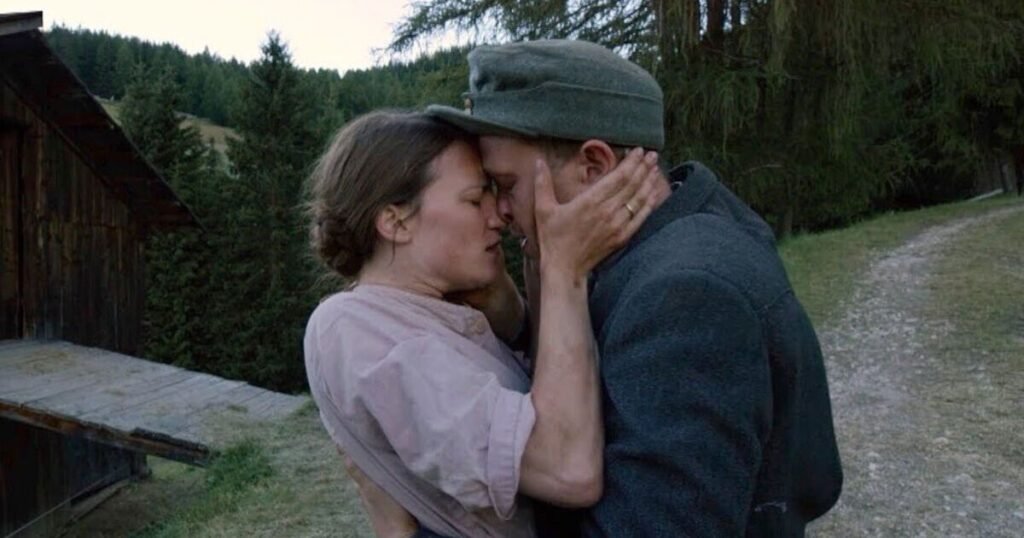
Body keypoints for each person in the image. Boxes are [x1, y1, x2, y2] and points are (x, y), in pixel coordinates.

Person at [355, 40, 844, 537]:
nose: (499, 211)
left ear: (594, 166)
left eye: (507, 185)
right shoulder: (675, 236)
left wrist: (406, 531)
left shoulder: (684, 299)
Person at [303, 110, 660, 537]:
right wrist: (564, 271)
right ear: (396, 222)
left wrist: (521, 296)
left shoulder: (432, 309)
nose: (496, 216)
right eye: (474, 200)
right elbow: (568, 470)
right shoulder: (355, 329)